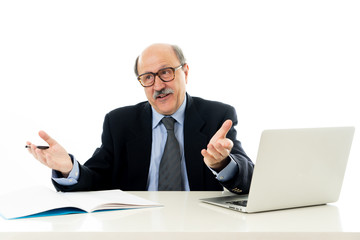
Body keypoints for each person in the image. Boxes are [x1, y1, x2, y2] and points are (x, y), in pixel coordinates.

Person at [26, 43, 254, 194]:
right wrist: (68, 168)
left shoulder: (217, 116)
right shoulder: (119, 123)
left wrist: (223, 164)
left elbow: (250, 179)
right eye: (147, 77)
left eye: (165, 72)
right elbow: (95, 181)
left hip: (199, 228)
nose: (158, 85)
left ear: (185, 72)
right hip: (136, 227)